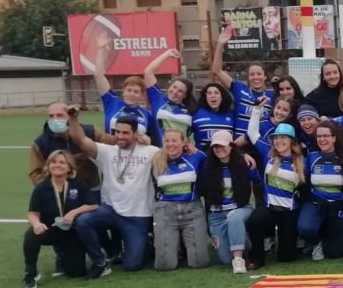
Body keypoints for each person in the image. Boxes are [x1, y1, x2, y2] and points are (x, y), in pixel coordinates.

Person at [68, 110, 158, 276]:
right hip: (111, 210)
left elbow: (172, 154)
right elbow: (80, 139)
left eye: (125, 133)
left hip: (137, 215)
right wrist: (73, 119)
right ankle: (100, 261)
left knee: (132, 265)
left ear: (135, 134)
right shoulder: (106, 151)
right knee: (83, 221)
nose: (120, 136)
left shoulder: (150, 151)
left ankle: (145, 241)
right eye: (117, 132)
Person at [22, 151, 99, 288]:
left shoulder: (78, 184)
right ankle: (31, 273)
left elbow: (93, 205)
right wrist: (36, 224)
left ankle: (63, 260)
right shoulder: (41, 187)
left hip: (71, 231)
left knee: (77, 272)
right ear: (48, 166)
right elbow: (32, 213)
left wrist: (73, 212)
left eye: (62, 162)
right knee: (32, 234)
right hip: (49, 229)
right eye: (53, 162)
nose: (57, 165)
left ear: (70, 167)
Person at [200, 130, 268, 273]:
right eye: (215, 147)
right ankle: (244, 242)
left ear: (231, 146)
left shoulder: (244, 164)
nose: (219, 149)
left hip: (241, 209)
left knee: (234, 217)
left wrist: (246, 157)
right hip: (216, 215)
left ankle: (238, 260)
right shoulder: (207, 165)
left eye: (222, 146)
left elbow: (258, 181)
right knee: (225, 260)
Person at [149, 129, 210, 271]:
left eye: (174, 141)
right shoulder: (155, 159)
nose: (170, 144)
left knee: (200, 263)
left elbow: (218, 159)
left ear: (184, 142)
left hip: (192, 210)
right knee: (165, 266)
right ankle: (152, 242)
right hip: (165, 211)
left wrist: (243, 155)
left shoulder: (197, 156)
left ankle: (185, 249)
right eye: (167, 141)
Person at [298, 121, 343, 261]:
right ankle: (317, 242)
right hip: (316, 202)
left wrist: (342, 204)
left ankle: (328, 237)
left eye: (326, 136)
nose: (322, 139)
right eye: (319, 136)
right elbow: (304, 182)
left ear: (334, 138)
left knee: (335, 253)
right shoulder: (312, 157)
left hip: (338, 204)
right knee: (305, 228)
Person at [254, 123, 305, 263]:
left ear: (291, 141)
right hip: (269, 208)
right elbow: (252, 133)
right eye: (276, 138)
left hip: (289, 212)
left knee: (286, 257)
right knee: (254, 221)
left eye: (283, 137)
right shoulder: (268, 154)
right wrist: (257, 109)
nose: (278, 141)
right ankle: (257, 256)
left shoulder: (302, 162)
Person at [212, 24, 274, 137]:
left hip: (261, 144)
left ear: (265, 76)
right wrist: (220, 44)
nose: (256, 77)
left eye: (259, 74)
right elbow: (217, 70)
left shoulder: (272, 95)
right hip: (240, 145)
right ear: (248, 77)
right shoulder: (239, 89)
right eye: (252, 74)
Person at [28, 102, 101, 189]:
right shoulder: (41, 143)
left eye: (60, 115)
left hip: (91, 189)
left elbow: (112, 147)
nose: (55, 119)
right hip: (59, 192)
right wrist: (49, 190)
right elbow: (36, 173)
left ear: (70, 115)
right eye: (51, 116)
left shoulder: (91, 132)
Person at [141, 49, 196, 140]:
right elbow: (148, 72)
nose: (175, 92)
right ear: (170, 86)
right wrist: (167, 54)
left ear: (185, 95)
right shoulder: (158, 99)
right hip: (160, 151)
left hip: (181, 152)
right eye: (174, 87)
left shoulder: (191, 110)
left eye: (180, 91)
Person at [191, 82, 237, 150]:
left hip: (225, 157)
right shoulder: (196, 113)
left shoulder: (231, 115)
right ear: (205, 97)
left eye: (216, 93)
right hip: (203, 157)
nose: (213, 96)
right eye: (209, 93)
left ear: (222, 96)